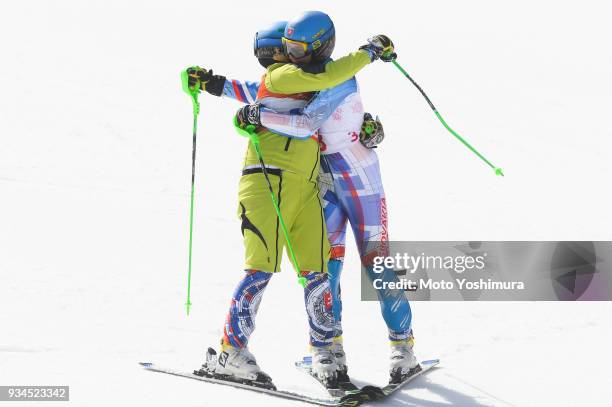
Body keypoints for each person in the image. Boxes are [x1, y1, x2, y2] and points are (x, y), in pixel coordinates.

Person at [185, 11, 395, 386]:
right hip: (269, 180)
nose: (293, 55)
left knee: (317, 270)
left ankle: (325, 350)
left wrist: (214, 84)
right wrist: (370, 51)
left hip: (307, 186)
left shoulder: (294, 83)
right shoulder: (284, 76)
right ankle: (230, 352)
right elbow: (323, 78)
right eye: (288, 48)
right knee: (261, 267)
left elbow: (254, 91)